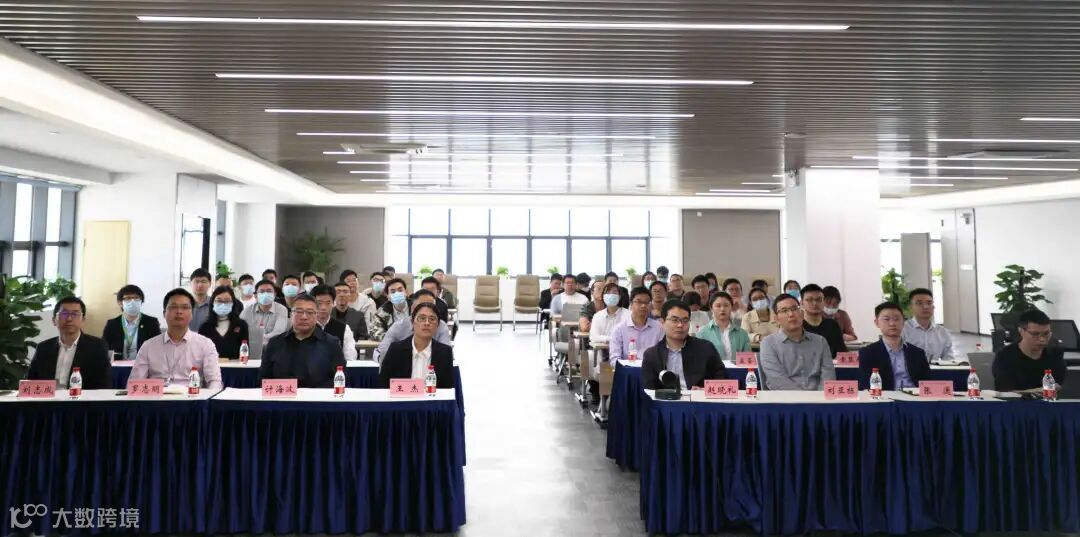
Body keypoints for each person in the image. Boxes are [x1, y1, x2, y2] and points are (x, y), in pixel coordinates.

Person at [131, 289, 223, 389]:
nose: (179, 312)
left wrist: (208, 397)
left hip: (192, 396)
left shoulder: (205, 344)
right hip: (158, 397)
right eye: (173, 307)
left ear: (191, 314)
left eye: (185, 307)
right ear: (164, 313)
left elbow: (214, 381)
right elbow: (134, 383)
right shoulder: (148, 346)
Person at [259, 293, 346, 388]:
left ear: (317, 316)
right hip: (283, 396)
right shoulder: (275, 343)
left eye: (310, 312)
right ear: (291, 314)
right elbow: (263, 380)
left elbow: (339, 380)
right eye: (299, 311)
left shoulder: (331, 344)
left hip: (319, 396)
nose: (304, 317)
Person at [26, 297, 111, 389]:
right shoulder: (44, 347)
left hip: (80, 397)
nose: (69, 318)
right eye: (64, 314)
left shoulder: (97, 347)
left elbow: (103, 384)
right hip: (49, 397)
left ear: (83, 320)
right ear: (54, 320)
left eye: (75, 314)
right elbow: (30, 381)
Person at [641, 300, 729, 390]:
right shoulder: (652, 355)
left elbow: (722, 379)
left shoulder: (706, 348)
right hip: (667, 398)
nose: (680, 325)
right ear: (662, 322)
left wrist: (705, 390)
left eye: (685, 320)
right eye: (674, 320)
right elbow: (650, 390)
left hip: (699, 398)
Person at [758, 294, 835, 390]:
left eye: (794, 309)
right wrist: (802, 398)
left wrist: (819, 397)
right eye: (784, 311)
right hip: (785, 398)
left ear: (802, 314)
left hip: (818, 397)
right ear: (776, 319)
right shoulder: (768, 344)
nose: (791, 314)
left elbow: (828, 377)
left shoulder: (820, 341)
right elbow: (777, 381)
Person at [378, 302, 455, 389]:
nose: (427, 323)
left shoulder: (445, 352)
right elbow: (384, 384)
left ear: (437, 325)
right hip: (400, 397)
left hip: (432, 398)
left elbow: (447, 388)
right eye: (422, 318)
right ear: (412, 322)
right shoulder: (396, 349)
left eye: (432, 319)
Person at [858, 302, 930, 390]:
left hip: (915, 396)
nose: (892, 323)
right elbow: (865, 386)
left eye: (897, 319)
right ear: (877, 323)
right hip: (886, 397)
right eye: (886, 319)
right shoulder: (868, 353)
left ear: (903, 322)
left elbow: (928, 384)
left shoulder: (918, 353)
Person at [993, 309, 1068, 392]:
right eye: (1035, 334)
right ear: (1021, 331)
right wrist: (1036, 391)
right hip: (1018, 400)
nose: (1042, 339)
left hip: (1050, 399)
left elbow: (1061, 386)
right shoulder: (1005, 356)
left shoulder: (1055, 354)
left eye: (1046, 334)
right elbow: (1004, 392)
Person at [374, 290, 452, 361]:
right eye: (422, 306)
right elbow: (381, 352)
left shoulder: (441, 326)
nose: (427, 310)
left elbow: (446, 355)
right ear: (412, 309)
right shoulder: (399, 326)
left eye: (431, 307)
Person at [102, 284, 161, 360]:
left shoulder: (151, 322)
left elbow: (158, 349)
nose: (133, 301)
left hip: (143, 365)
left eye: (136, 298)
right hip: (117, 365)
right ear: (120, 303)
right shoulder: (112, 324)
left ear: (141, 302)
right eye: (128, 298)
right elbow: (104, 349)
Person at [609, 287, 664, 365]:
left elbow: (663, 355)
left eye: (647, 302)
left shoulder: (658, 328)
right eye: (639, 302)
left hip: (652, 370)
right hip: (628, 369)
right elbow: (614, 359)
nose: (643, 305)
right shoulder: (619, 329)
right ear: (631, 304)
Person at [901, 288, 957, 362]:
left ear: (933, 307)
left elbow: (949, 360)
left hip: (935, 369)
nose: (925, 307)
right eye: (919, 303)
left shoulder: (942, 332)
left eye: (929, 303)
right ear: (911, 307)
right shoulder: (902, 330)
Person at [197, 286, 249, 360]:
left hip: (236, 365)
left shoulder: (241, 325)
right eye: (219, 301)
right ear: (212, 303)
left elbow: (245, 352)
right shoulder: (205, 327)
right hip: (211, 366)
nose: (223, 304)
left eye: (227, 301)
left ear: (233, 303)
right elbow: (200, 354)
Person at [697, 292, 752, 361]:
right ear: (711, 308)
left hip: (737, 368)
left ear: (731, 307)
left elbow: (748, 361)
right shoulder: (702, 333)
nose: (722, 309)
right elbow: (698, 360)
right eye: (718, 306)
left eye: (726, 305)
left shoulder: (742, 334)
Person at [311, 285, 358, 360]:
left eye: (328, 303)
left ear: (333, 303)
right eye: (319, 303)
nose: (323, 307)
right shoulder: (304, 327)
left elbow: (350, 358)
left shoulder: (344, 329)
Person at [801, 284, 848, 356]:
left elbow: (842, 353)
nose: (815, 303)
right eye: (809, 300)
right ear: (801, 303)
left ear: (823, 302)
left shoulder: (832, 325)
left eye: (819, 300)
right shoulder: (798, 326)